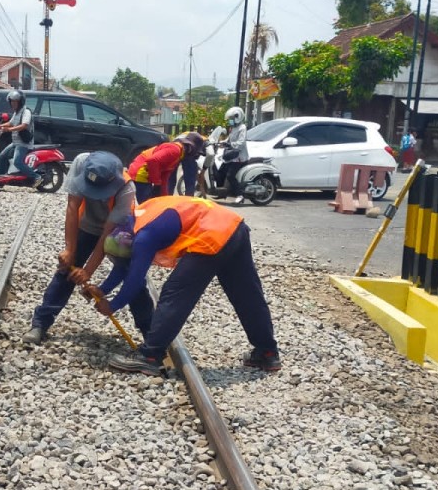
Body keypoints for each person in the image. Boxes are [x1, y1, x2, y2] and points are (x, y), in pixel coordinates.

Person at [89, 196, 281, 375]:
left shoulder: (143, 237)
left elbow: (135, 277)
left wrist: (112, 306)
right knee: (247, 294)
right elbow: (127, 266)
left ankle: (150, 355)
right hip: (233, 226)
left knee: (176, 293)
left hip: (211, 235)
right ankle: (267, 353)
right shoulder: (141, 216)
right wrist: (103, 289)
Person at [22, 151, 155, 344]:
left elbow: (106, 233)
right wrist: (70, 249)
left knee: (133, 277)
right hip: (87, 223)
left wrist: (88, 271)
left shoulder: (127, 190)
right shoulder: (80, 163)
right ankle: (40, 323)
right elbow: (72, 207)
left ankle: (150, 336)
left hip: (118, 232)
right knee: (67, 270)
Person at [127, 133, 204, 203]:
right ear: (191, 149)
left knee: (153, 204)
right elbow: (152, 161)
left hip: (145, 175)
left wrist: (165, 197)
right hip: (140, 173)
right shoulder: (175, 150)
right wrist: (156, 182)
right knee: (144, 207)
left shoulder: (179, 155)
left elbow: (165, 176)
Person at [0, 90, 40, 186]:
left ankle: (37, 177)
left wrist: (8, 130)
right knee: (1, 157)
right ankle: (0, 180)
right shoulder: (17, 112)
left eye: (15, 101)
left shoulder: (26, 112)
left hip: (24, 143)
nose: (13, 103)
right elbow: (11, 123)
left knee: (17, 162)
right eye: (11, 101)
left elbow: (24, 125)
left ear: (20, 102)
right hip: (16, 142)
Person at [220, 107, 249, 204]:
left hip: (239, 157)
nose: (230, 121)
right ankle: (222, 192)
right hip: (232, 156)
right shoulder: (233, 128)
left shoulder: (242, 128)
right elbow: (229, 140)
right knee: (221, 170)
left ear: (238, 117)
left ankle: (240, 195)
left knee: (230, 175)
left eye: (231, 118)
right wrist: (220, 142)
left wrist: (230, 144)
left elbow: (241, 143)